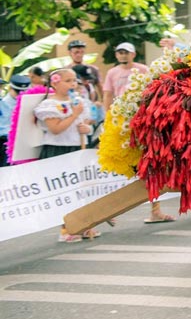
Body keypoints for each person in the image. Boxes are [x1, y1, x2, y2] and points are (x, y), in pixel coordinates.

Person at [103, 42, 174, 223]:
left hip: (140, 119)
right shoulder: (112, 73)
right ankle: (109, 211)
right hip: (120, 121)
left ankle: (155, 210)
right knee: (119, 165)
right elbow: (107, 95)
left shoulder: (143, 69)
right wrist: (107, 117)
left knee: (147, 164)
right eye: (119, 52)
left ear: (133, 54)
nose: (123, 55)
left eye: (126, 52)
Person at [33, 69, 98, 242]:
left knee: (81, 189)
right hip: (59, 150)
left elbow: (85, 125)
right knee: (64, 192)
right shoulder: (49, 105)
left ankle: (82, 225)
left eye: (74, 80)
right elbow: (55, 129)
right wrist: (74, 115)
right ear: (55, 83)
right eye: (68, 81)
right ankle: (66, 229)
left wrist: (87, 129)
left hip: (77, 148)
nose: (72, 84)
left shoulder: (78, 101)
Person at [0, 75, 31, 167]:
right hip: (4, 142)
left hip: (20, 141)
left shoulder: (29, 101)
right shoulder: (4, 103)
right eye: (17, 91)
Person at [67, 39, 103, 105]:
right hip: (72, 103)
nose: (79, 55)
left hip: (92, 103)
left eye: (81, 52)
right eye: (76, 52)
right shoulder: (66, 71)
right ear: (70, 53)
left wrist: (103, 102)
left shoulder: (93, 69)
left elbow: (100, 86)